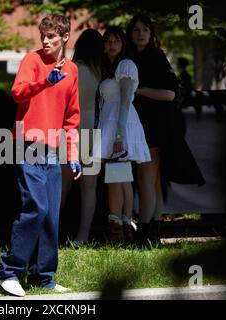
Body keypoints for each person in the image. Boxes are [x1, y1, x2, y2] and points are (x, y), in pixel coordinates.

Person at [0, 13, 81, 297]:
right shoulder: (32, 60)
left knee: (51, 214)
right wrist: (45, 81)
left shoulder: (73, 71)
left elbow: (72, 119)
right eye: (43, 35)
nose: (45, 40)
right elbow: (17, 93)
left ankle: (43, 277)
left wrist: (74, 153)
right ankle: (8, 271)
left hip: (53, 149)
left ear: (65, 37)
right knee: (36, 207)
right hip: (26, 144)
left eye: (52, 36)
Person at [127, 15, 205, 245]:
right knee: (151, 182)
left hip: (155, 127)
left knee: (147, 179)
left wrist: (137, 90)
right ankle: (152, 231)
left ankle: (145, 232)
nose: (140, 34)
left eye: (145, 30)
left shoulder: (156, 58)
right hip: (138, 125)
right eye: (136, 30)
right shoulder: (130, 57)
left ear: (151, 34)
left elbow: (170, 94)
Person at [94, 26, 150, 243]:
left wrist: (119, 135)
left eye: (116, 40)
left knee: (115, 176)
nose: (111, 44)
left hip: (121, 124)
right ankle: (125, 226)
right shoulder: (109, 68)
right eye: (108, 40)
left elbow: (126, 101)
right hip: (113, 122)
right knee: (122, 176)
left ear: (123, 44)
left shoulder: (126, 65)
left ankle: (116, 227)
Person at [60, 28, 104, 245]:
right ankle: (83, 237)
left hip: (71, 133)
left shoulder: (73, 70)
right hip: (94, 134)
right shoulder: (102, 74)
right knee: (89, 188)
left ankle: (50, 233)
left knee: (62, 186)